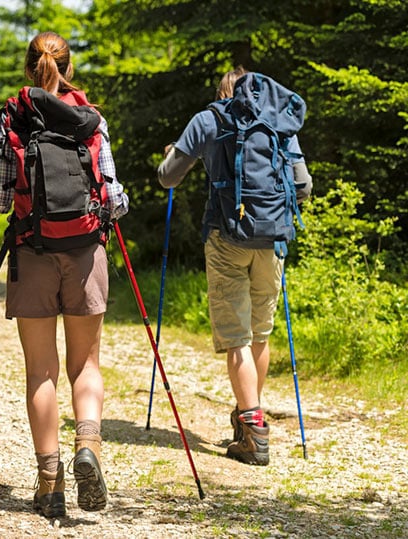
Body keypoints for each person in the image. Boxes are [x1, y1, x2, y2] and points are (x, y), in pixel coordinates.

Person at [0, 31, 129, 517]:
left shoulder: (14, 116)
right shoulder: (91, 118)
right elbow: (114, 198)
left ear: (28, 68)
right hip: (85, 254)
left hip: (32, 252)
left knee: (41, 371)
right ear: (69, 68)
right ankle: (88, 447)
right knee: (86, 365)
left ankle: (50, 483)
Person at [157, 67, 312, 466]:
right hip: (273, 240)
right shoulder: (279, 121)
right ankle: (248, 414)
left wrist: (172, 155)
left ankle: (253, 431)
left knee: (237, 338)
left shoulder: (208, 119)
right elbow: (304, 187)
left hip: (226, 236)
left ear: (222, 92)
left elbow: (168, 178)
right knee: (260, 332)